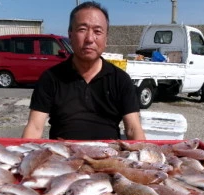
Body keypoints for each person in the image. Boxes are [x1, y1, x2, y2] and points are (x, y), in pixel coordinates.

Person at [22, 1, 146, 140]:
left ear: (106, 39)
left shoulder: (120, 79)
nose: (89, 39)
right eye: (82, 29)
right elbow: (35, 127)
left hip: (108, 157)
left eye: (97, 31)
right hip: (61, 158)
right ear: (70, 35)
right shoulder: (50, 78)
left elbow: (133, 129)